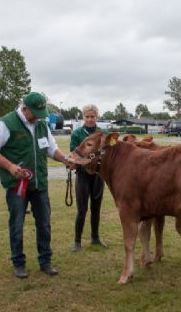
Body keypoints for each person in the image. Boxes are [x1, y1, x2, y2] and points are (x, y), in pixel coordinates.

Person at [0, 92, 73, 279]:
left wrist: (65, 159)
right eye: (36, 113)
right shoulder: (6, 123)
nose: (39, 117)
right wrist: (9, 166)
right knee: (16, 224)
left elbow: (51, 148)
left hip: (39, 183)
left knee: (44, 224)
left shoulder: (41, 123)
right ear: (25, 108)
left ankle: (45, 261)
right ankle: (18, 263)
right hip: (17, 185)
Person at [70, 104, 107, 252]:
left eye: (93, 116)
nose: (90, 119)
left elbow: (108, 152)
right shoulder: (77, 133)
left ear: (97, 117)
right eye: (87, 116)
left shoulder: (103, 133)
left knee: (96, 208)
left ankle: (95, 238)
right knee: (82, 209)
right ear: (83, 117)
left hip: (98, 175)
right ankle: (77, 241)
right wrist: (81, 162)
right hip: (82, 175)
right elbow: (74, 153)